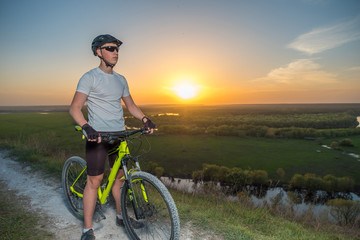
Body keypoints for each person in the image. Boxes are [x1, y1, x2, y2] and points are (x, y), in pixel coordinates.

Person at [69, 34, 156, 240]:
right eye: (110, 48)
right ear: (99, 52)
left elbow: (131, 105)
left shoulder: (121, 79)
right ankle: (87, 230)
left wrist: (144, 119)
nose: (115, 52)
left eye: (117, 49)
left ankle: (120, 216)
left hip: (119, 135)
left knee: (119, 179)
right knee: (95, 181)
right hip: (97, 136)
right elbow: (74, 108)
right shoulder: (89, 77)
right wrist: (87, 127)